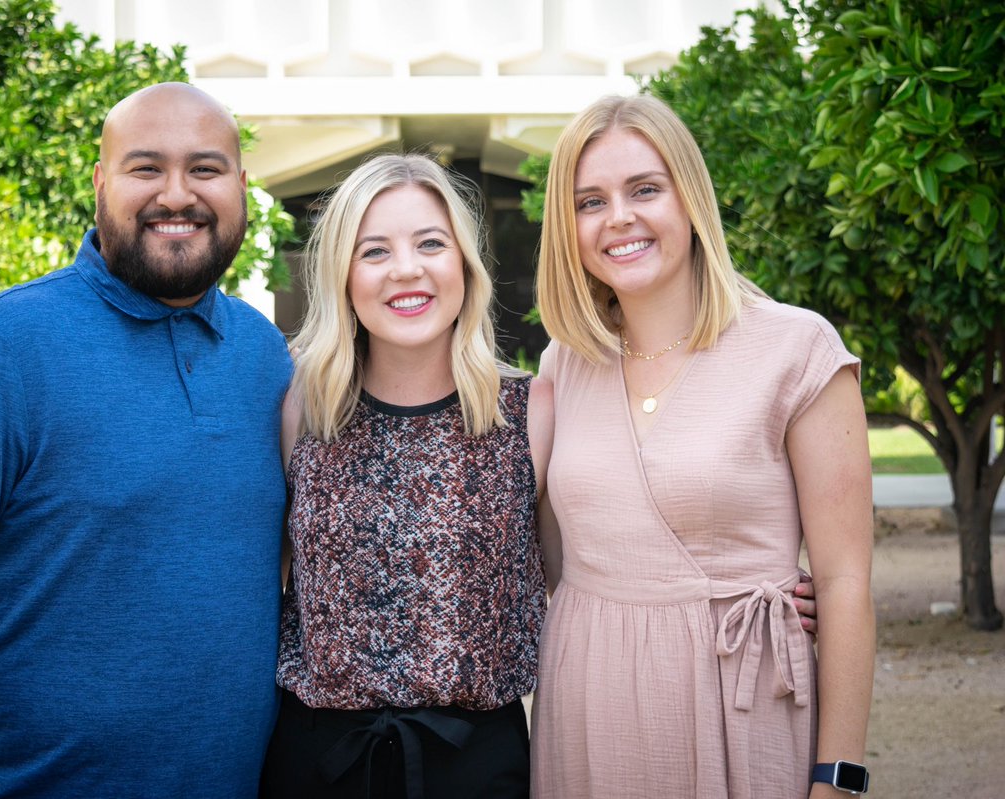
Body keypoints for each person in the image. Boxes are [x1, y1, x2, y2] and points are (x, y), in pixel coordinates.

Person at [0, 83, 293, 798]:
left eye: (205, 168)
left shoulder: (266, 356)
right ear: (100, 183)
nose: (177, 194)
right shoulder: (2, 345)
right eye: (146, 167)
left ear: (241, 187)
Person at [530, 94, 875, 798]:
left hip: (740, 706)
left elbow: (845, 583)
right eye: (590, 201)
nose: (618, 217)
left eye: (645, 189)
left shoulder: (797, 349)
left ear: (690, 199)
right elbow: (556, 556)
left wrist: (837, 781)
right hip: (588, 706)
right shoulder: (563, 364)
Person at [258, 154, 552, 798]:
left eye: (430, 243)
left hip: (479, 767)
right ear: (343, 275)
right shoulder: (300, 406)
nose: (406, 269)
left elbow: (578, 587)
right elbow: (264, 576)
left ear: (464, 264)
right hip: (320, 762)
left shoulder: (530, 411)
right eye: (374, 251)